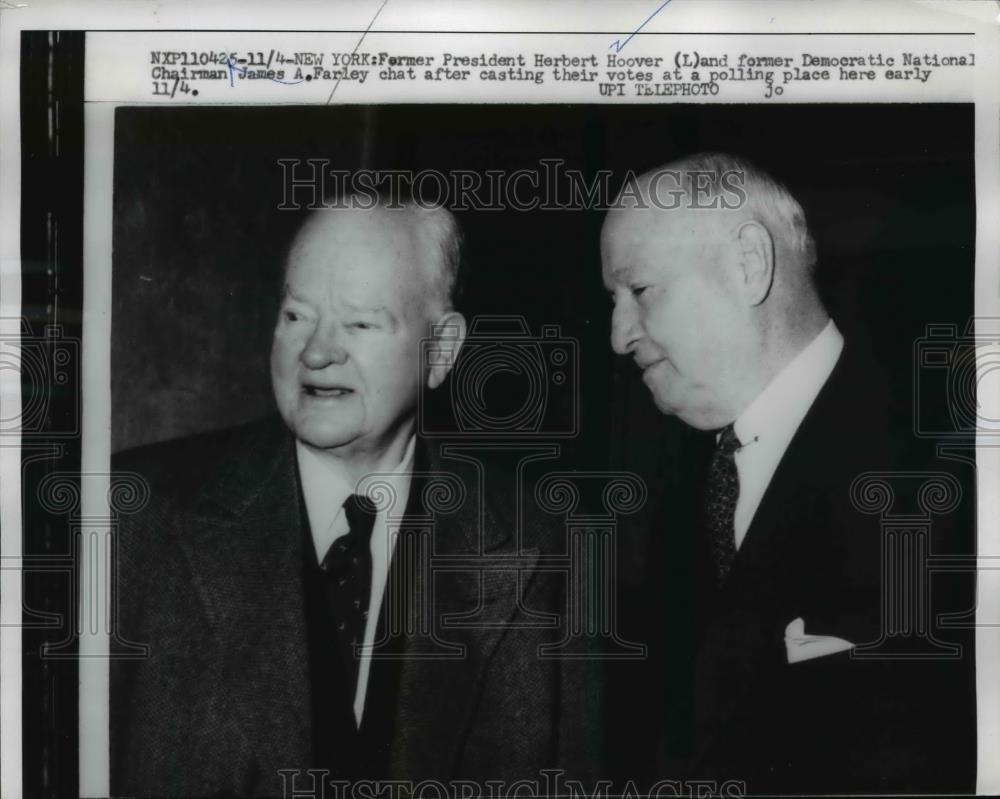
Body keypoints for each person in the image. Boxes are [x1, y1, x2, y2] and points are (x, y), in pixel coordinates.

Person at [111, 198, 593, 797]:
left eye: (361, 324)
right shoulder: (133, 514)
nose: (316, 352)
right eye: (295, 315)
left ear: (440, 350)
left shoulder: (543, 547)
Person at [600, 153, 975, 794]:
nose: (618, 334)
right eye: (613, 300)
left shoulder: (949, 477)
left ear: (749, 264)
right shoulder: (675, 492)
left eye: (639, 291)